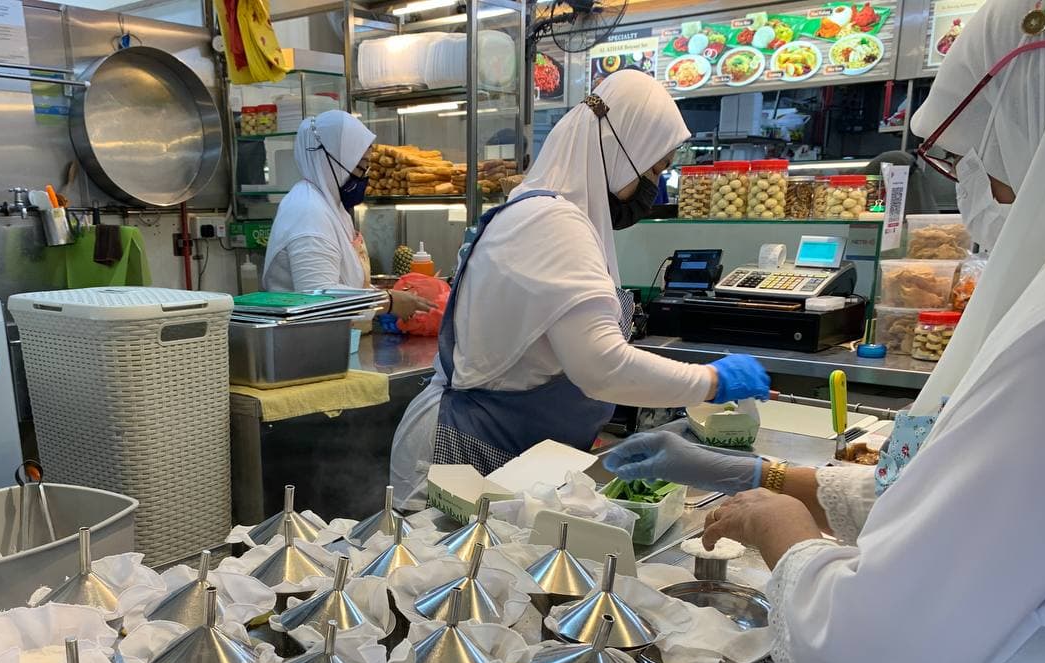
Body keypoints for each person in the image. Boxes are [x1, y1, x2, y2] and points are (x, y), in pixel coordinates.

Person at [607, 2, 1045, 663]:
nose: (976, 185)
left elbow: (871, 642)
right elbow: (961, 515)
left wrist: (776, 522)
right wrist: (756, 466)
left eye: (980, 154)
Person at [388, 69, 769, 510]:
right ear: (622, 150)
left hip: (505, 450)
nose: (655, 185)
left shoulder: (549, 212)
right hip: (467, 455)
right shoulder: (553, 223)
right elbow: (601, 367)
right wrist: (712, 380)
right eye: (655, 167)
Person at [262, 110, 432, 321]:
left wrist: (383, 296)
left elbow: (342, 280)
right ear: (331, 161)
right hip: (302, 342)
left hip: (333, 336)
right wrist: (387, 302)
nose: (365, 177)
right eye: (360, 168)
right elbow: (317, 298)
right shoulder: (307, 212)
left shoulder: (331, 206)